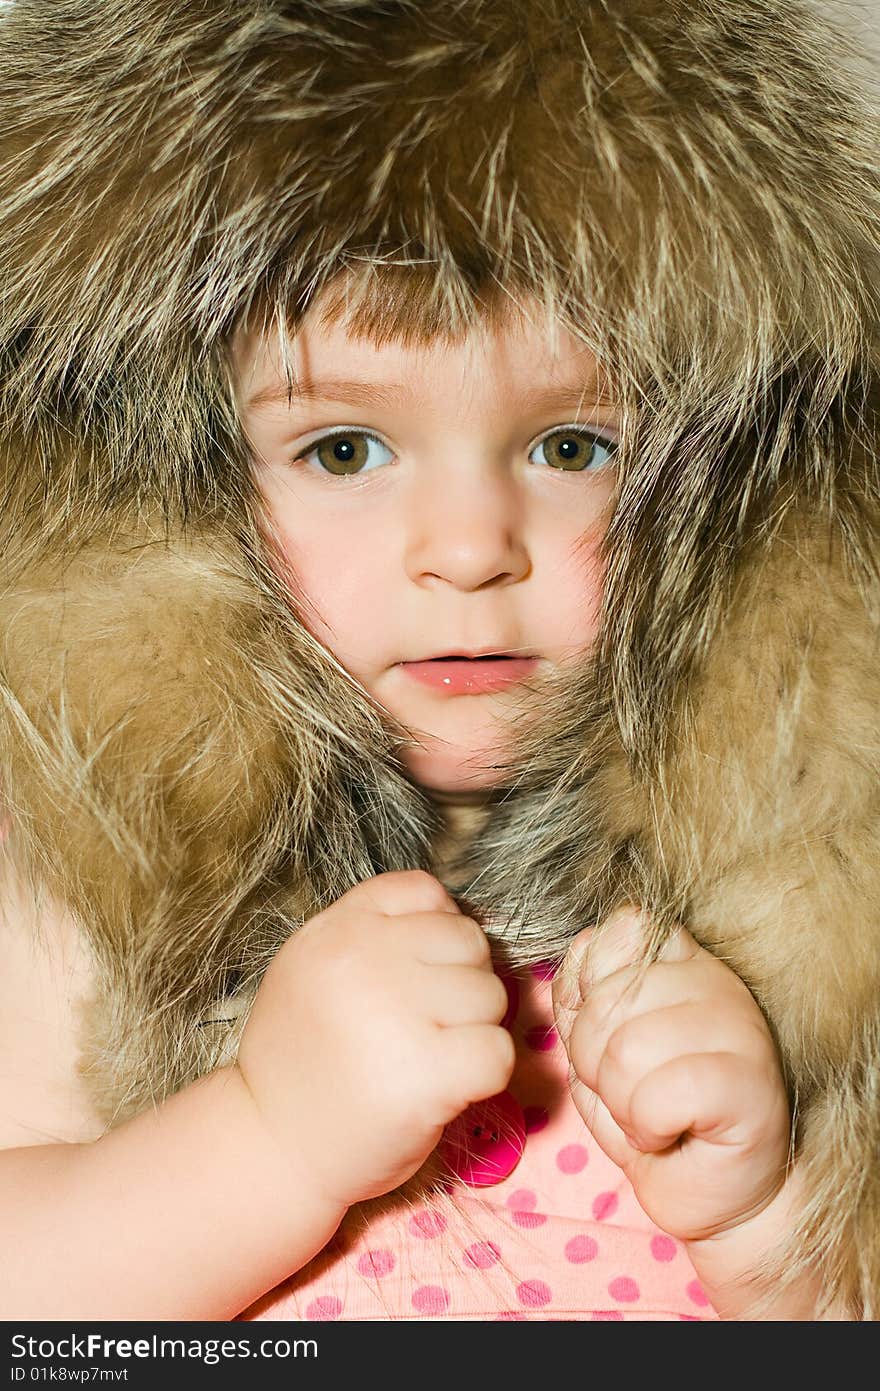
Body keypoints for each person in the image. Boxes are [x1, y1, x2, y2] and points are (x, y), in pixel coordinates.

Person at [0, 0, 873, 1321]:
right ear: (156, 491)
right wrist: (266, 1138)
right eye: (344, 449)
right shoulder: (73, 880)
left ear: (730, 506)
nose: (470, 550)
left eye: (573, 448)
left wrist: (768, 1228)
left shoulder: (799, 909)